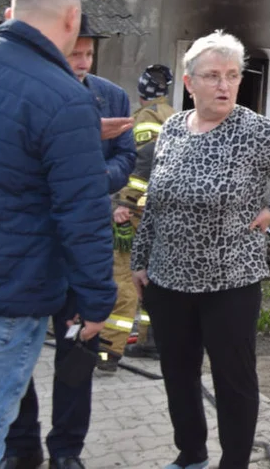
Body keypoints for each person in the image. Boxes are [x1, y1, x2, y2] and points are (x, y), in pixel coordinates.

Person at [132, 30, 270, 469]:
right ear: (190, 83)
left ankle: (234, 463)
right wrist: (140, 261)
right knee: (178, 374)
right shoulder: (169, 129)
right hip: (168, 280)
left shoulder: (253, 129)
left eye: (232, 75)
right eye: (212, 76)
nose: (224, 85)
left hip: (230, 282)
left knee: (233, 379)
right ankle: (191, 454)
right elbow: (155, 201)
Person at [0, 0, 116, 469]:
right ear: (72, 18)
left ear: (10, 14)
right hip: (3, 298)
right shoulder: (67, 98)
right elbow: (83, 215)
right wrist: (96, 300)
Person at [2, 15, 136, 469]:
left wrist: (96, 175)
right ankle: (21, 445)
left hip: (85, 246)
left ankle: (66, 451)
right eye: (74, 53)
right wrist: (78, 148)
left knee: (77, 355)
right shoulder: (35, 94)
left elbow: (127, 156)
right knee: (19, 355)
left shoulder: (111, 95)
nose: (81, 62)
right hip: (35, 247)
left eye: (88, 55)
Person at [105, 64, 176, 362]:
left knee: (123, 275)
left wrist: (126, 202)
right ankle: (152, 342)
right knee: (152, 277)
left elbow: (143, 165)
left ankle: (108, 349)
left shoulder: (145, 120)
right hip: (163, 212)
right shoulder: (172, 116)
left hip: (138, 213)